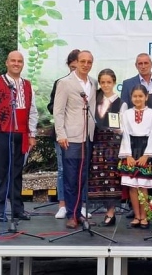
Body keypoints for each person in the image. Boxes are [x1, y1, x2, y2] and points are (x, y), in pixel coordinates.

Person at [0, 51, 38, 222]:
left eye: (19, 61)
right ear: (6, 63)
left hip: (21, 134)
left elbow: (32, 111)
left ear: (23, 64)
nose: (16, 64)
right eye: (13, 60)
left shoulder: (27, 85)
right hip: (2, 132)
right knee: (1, 172)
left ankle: (17, 209)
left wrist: (32, 133)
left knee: (17, 173)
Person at [53, 50, 98, 229]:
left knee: (83, 176)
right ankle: (72, 214)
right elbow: (58, 110)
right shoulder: (65, 83)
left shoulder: (93, 83)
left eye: (89, 62)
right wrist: (61, 134)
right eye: (83, 61)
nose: (86, 65)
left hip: (88, 136)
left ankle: (80, 211)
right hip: (70, 137)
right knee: (71, 177)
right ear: (76, 63)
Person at [118, 85, 152, 229]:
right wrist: (128, 155)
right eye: (135, 96)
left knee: (143, 185)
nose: (138, 99)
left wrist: (147, 155)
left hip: (145, 149)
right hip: (130, 149)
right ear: (131, 98)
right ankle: (137, 216)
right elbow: (124, 134)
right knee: (132, 186)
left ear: (146, 97)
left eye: (140, 96)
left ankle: (145, 216)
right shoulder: (127, 113)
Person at [89, 69, 127, 227]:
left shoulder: (121, 102)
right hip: (97, 143)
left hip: (112, 144)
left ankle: (110, 213)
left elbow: (124, 126)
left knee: (111, 179)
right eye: (103, 82)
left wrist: (118, 128)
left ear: (114, 83)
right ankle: (99, 210)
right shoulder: (94, 100)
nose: (105, 85)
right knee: (97, 179)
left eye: (108, 82)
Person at [48, 49, 80, 219]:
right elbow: (52, 107)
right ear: (68, 66)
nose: (76, 70)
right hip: (62, 134)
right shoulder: (61, 82)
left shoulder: (88, 84)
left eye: (79, 66)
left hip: (80, 134)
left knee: (80, 170)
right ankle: (62, 204)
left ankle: (78, 205)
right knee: (62, 169)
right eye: (73, 66)